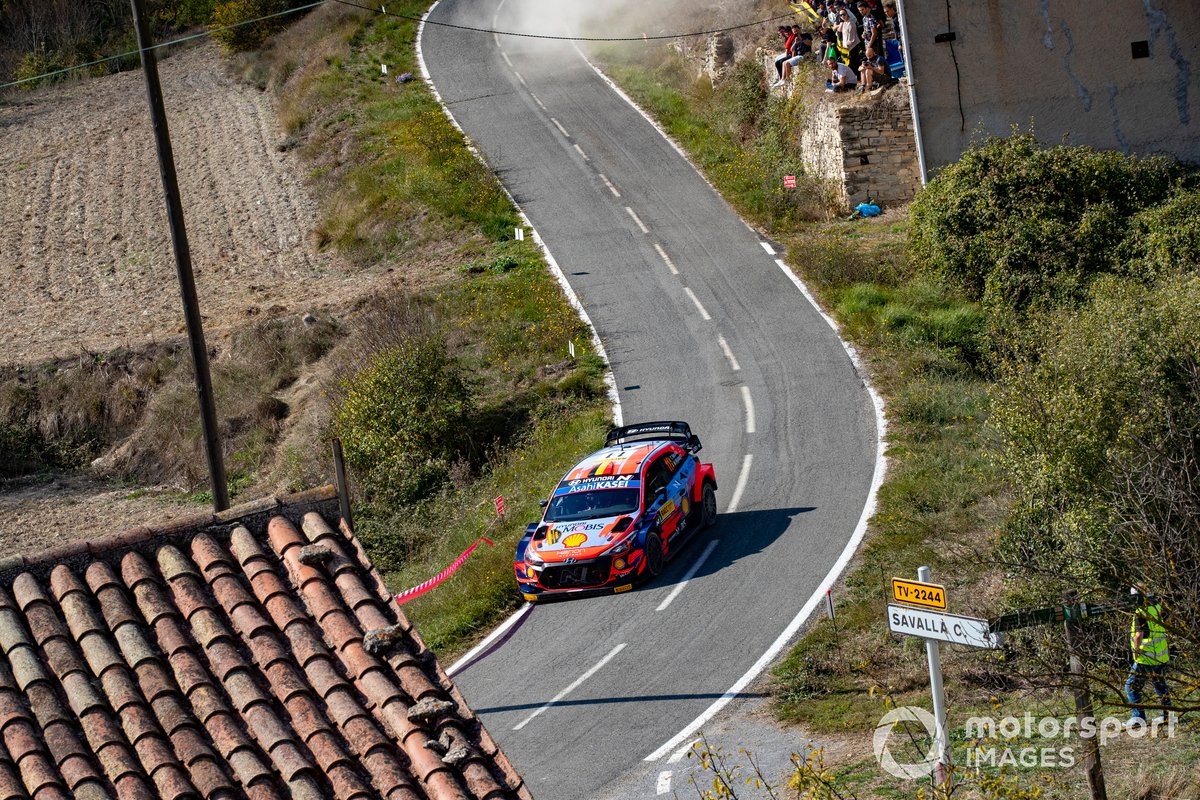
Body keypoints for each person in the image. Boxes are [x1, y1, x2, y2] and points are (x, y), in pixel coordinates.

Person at [1125, 585, 1171, 727]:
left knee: (1131, 686)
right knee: (1160, 685)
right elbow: (1168, 621)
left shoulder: (1140, 612)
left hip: (1146, 657)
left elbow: (1139, 634)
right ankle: (1167, 716)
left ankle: (1138, 718)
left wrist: (1136, 650)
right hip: (1161, 656)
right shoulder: (1157, 606)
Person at [837, 5, 863, 70]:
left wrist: (845, 46)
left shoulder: (851, 23)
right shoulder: (844, 23)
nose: (842, 16)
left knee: (855, 64)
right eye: (841, 15)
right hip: (847, 48)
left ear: (847, 14)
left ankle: (859, 78)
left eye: (844, 14)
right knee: (851, 66)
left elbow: (852, 39)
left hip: (853, 47)